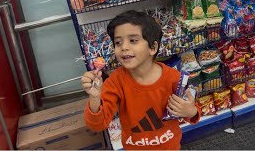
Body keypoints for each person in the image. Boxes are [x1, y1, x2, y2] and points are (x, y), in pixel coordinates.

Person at [82, 10, 201, 150]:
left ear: (153, 47)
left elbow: (192, 112)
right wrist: (95, 97)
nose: (124, 47)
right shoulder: (115, 82)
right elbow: (98, 124)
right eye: (118, 42)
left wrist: (190, 111)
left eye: (133, 40)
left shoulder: (174, 78)